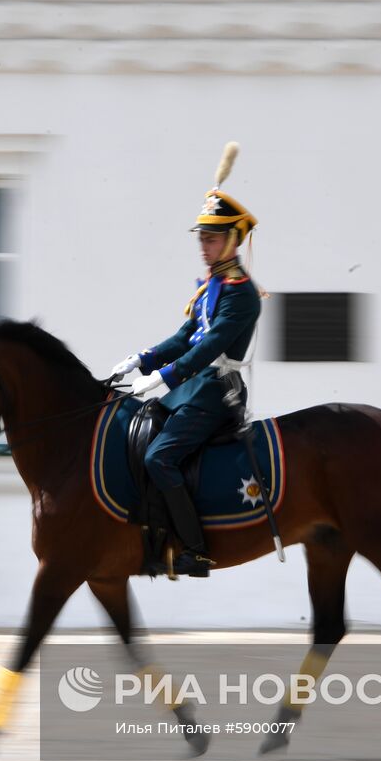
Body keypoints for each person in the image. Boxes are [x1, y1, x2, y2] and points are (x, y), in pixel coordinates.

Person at [110, 143, 262, 577]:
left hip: (215, 392)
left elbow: (207, 349)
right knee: (138, 442)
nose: (204, 245)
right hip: (189, 390)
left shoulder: (240, 294)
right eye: (201, 237)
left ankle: (194, 549)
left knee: (160, 458)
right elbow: (183, 337)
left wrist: (159, 378)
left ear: (233, 240)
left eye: (211, 238)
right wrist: (141, 359)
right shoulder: (211, 286)